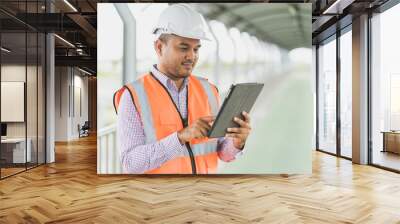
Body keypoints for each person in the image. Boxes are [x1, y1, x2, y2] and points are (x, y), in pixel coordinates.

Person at [114, 4, 252, 174]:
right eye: (183, 47)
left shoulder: (209, 90)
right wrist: (179, 138)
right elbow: (131, 163)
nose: (192, 56)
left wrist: (237, 142)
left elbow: (222, 152)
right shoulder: (133, 96)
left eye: (196, 49)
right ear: (159, 47)